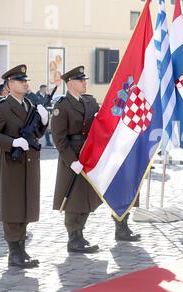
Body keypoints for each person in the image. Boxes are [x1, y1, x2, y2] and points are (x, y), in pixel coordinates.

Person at [51, 66, 141, 254]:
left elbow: (102, 122)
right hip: (73, 155)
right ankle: (74, 238)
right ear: (70, 83)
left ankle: (82, 235)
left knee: (85, 196)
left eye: (84, 80)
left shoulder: (90, 102)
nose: (85, 83)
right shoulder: (62, 105)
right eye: (81, 80)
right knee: (74, 197)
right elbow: (59, 138)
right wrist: (71, 160)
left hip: (91, 152)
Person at [0, 64, 49, 268]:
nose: (25, 83)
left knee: (26, 205)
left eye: (26, 80)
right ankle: (14, 253)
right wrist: (11, 143)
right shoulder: (1, 107)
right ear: (10, 84)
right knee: (13, 208)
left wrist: (44, 122)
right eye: (21, 81)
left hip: (29, 164)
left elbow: (35, 133)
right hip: (12, 164)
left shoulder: (29, 105)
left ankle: (22, 249)